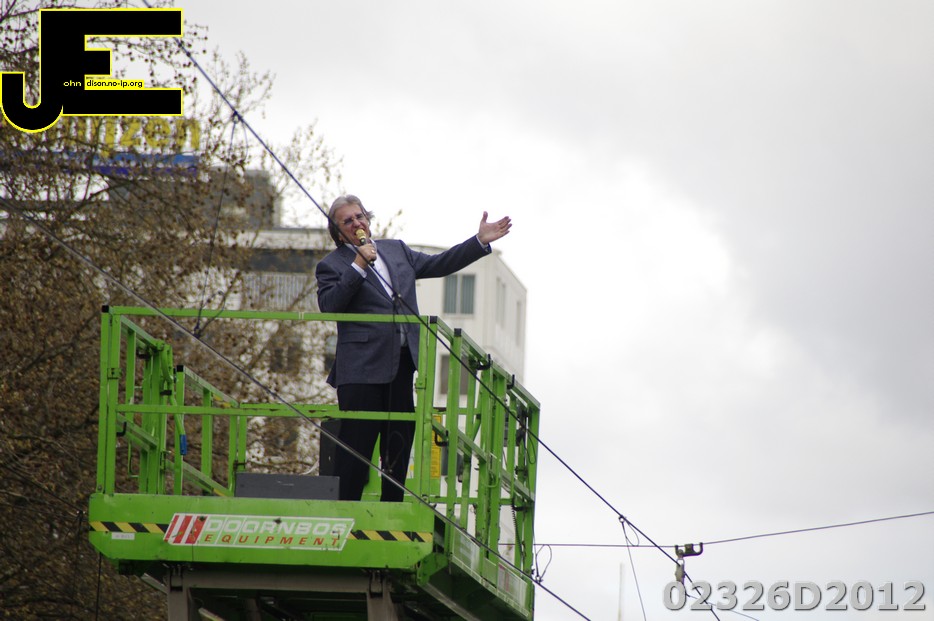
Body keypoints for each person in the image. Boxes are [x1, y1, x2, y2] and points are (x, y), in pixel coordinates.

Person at [315, 194, 511, 501]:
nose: (357, 223)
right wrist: (358, 265)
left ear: (368, 219)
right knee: (357, 443)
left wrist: (478, 242)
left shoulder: (396, 249)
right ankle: (345, 508)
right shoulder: (331, 265)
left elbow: (438, 264)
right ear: (338, 233)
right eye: (348, 221)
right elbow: (330, 305)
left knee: (399, 440)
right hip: (361, 369)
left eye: (360, 216)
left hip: (402, 362)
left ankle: (391, 508)